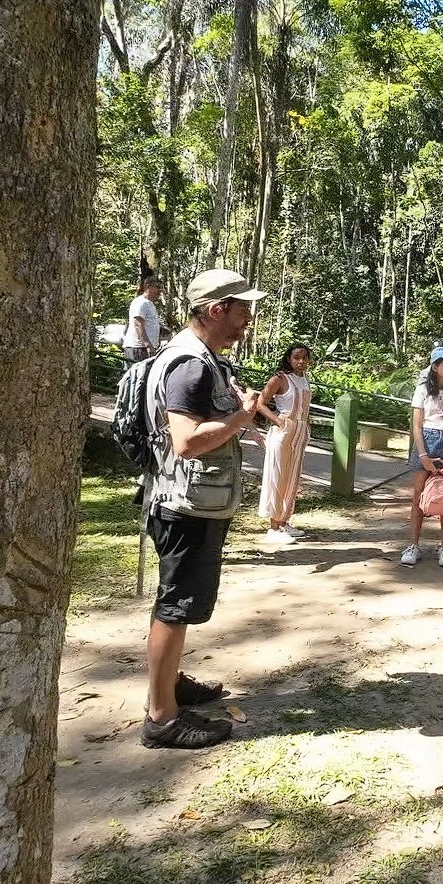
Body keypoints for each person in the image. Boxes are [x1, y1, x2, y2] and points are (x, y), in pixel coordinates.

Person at [140, 269, 266, 750]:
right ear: (217, 310)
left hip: (188, 501)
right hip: (184, 505)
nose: (247, 321)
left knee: (178, 602)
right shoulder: (191, 365)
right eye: (242, 311)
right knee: (175, 606)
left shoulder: (196, 357)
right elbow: (187, 441)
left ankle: (168, 685)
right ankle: (162, 717)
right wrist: (242, 417)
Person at [402, 347, 443, 568]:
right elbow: (417, 425)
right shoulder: (422, 390)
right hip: (427, 440)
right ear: (435, 366)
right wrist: (423, 455)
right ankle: (413, 544)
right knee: (419, 496)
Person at [256, 343, 313, 544]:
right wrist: (278, 420)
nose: (301, 361)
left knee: (292, 477)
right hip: (284, 430)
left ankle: (284, 520)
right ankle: (273, 526)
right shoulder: (280, 378)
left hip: (300, 431)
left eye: (305, 357)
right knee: (278, 476)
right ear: (289, 358)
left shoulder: (304, 379)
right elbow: (260, 403)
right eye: (297, 357)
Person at [124, 275, 163, 362]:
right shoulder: (141, 302)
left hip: (146, 348)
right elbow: (138, 324)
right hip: (138, 347)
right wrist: (147, 344)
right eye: (157, 287)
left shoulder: (150, 304)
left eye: (161, 288)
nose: (159, 291)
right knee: (137, 374)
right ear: (147, 286)